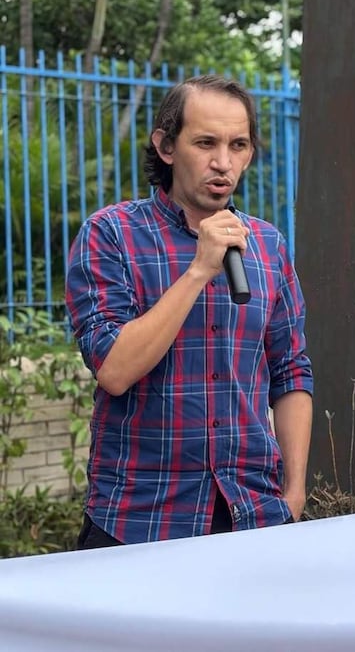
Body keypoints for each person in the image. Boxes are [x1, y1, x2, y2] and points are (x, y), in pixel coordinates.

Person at [66, 75, 313, 548]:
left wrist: (294, 492)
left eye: (238, 145)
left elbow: (291, 371)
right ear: (165, 146)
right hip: (140, 521)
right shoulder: (110, 234)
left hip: (253, 516)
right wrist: (199, 270)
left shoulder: (267, 245)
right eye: (205, 143)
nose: (223, 162)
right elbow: (114, 370)